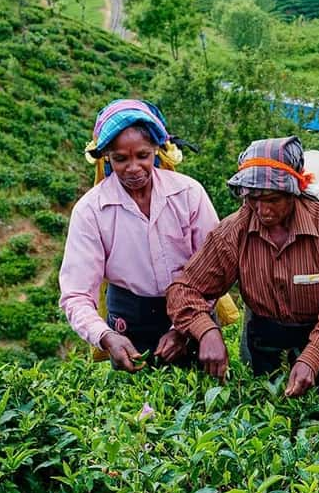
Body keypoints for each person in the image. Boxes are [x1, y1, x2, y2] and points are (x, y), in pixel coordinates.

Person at [166, 136, 319, 402]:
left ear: (294, 191)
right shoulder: (234, 231)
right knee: (266, 415)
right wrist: (206, 330)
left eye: (273, 199)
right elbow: (184, 289)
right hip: (264, 341)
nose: (263, 209)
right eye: (253, 198)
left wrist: (312, 357)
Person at [59, 99, 219, 372]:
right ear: (107, 156)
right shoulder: (91, 211)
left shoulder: (188, 194)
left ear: (157, 150)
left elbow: (214, 269)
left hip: (194, 313)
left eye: (142, 156)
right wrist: (108, 337)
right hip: (129, 322)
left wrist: (184, 328)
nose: (133, 168)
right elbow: (76, 295)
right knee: (137, 409)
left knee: (199, 399)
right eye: (121, 159)